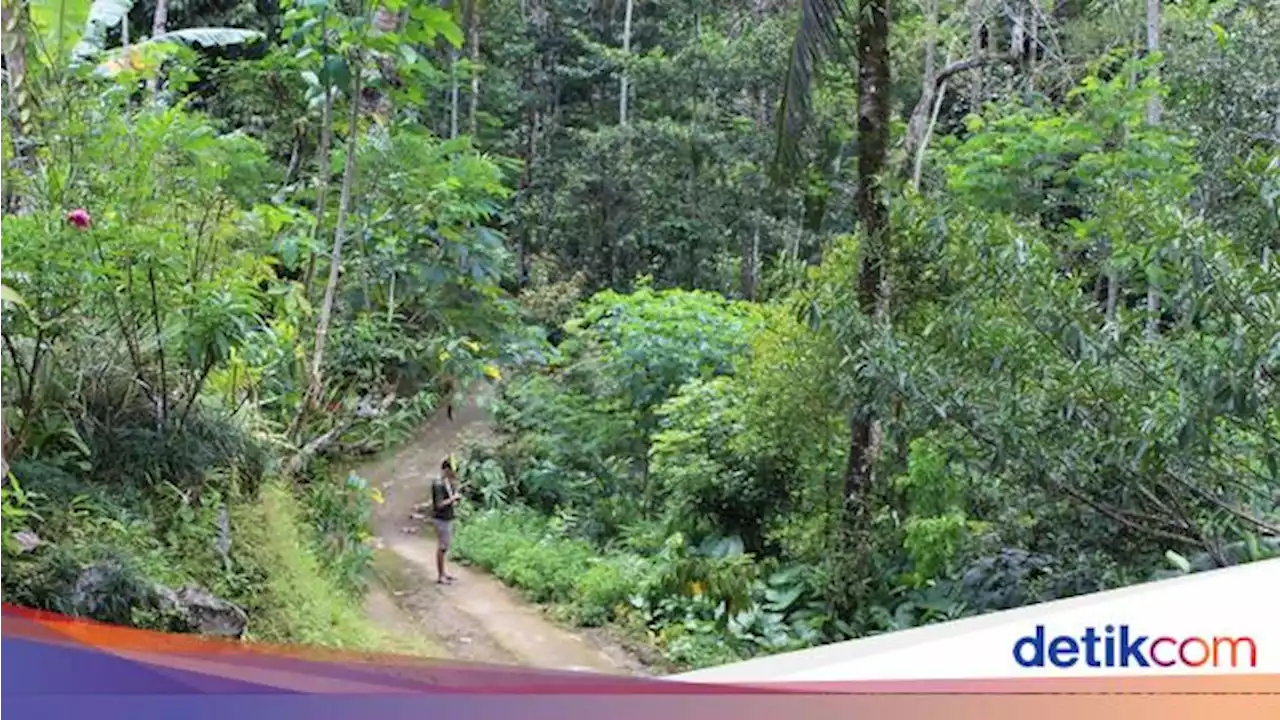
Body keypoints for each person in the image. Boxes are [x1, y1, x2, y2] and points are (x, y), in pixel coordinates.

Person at [430, 456, 462, 584]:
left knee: (446, 546)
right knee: (442, 547)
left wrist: (455, 498)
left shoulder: (448, 483)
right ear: (446, 469)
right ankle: (440, 575)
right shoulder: (438, 484)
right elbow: (439, 505)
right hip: (441, 519)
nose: (455, 473)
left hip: (448, 517)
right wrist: (453, 499)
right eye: (453, 470)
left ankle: (443, 573)